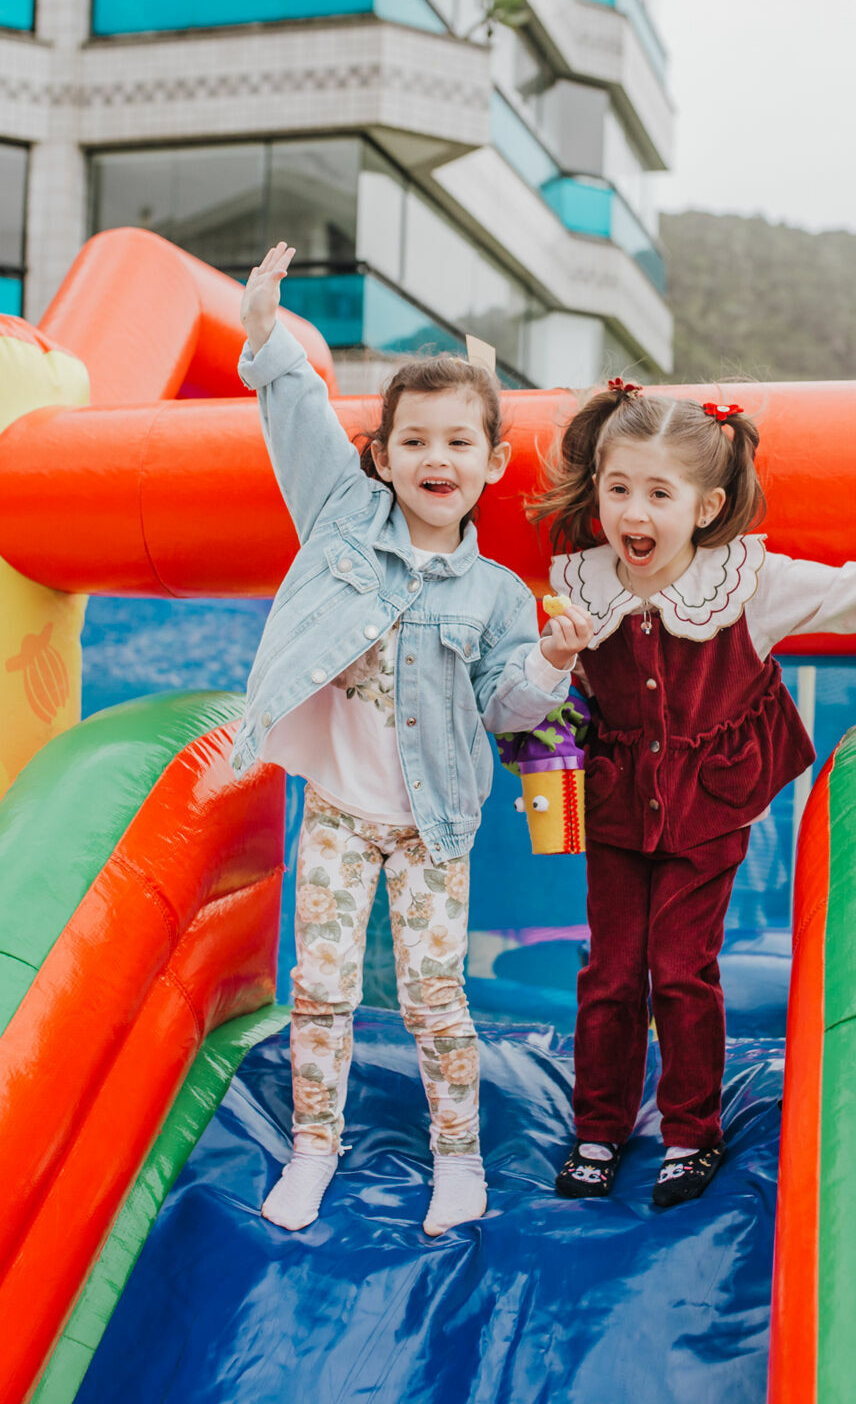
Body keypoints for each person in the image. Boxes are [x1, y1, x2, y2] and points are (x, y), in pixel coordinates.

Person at [530, 380, 856, 1207]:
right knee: (612, 972)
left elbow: (854, 593)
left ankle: (691, 1131)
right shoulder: (578, 583)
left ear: (705, 504)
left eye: (659, 493)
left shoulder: (747, 581)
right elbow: (541, 693)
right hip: (619, 802)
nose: (634, 513)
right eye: (617, 489)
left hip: (709, 803)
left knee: (681, 968)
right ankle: (599, 1125)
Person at [232, 244, 593, 1236]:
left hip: (434, 824)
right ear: (381, 457)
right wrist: (265, 330)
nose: (438, 459)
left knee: (437, 996)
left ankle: (457, 1154)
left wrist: (554, 664)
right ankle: (314, 1144)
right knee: (321, 982)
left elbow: (510, 707)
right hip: (341, 817)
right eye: (417, 442)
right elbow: (296, 419)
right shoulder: (341, 516)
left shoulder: (496, 596)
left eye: (459, 443)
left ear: (490, 462)